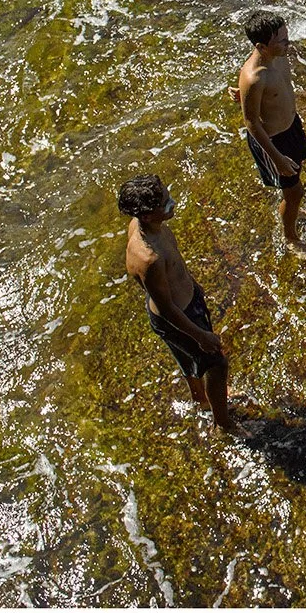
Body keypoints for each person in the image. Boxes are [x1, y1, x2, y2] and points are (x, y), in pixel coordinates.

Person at [119, 174, 235, 431]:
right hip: (178, 317)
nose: (172, 202)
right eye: (165, 202)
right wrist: (200, 335)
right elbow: (167, 309)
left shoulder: (145, 225)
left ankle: (201, 400)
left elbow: (174, 273)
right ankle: (224, 423)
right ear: (148, 215)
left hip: (187, 303)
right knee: (217, 364)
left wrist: (193, 285)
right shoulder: (149, 258)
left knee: (190, 359)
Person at [235, 8, 306, 246]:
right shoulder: (254, 77)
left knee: (295, 181)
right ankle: (290, 237)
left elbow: (271, 93)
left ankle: (293, 208)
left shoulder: (279, 55)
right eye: (281, 41)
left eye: (286, 37)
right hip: (274, 141)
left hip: (291, 127)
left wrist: (244, 95)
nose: (287, 43)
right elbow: (251, 123)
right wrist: (277, 158)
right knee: (295, 191)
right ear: (261, 47)